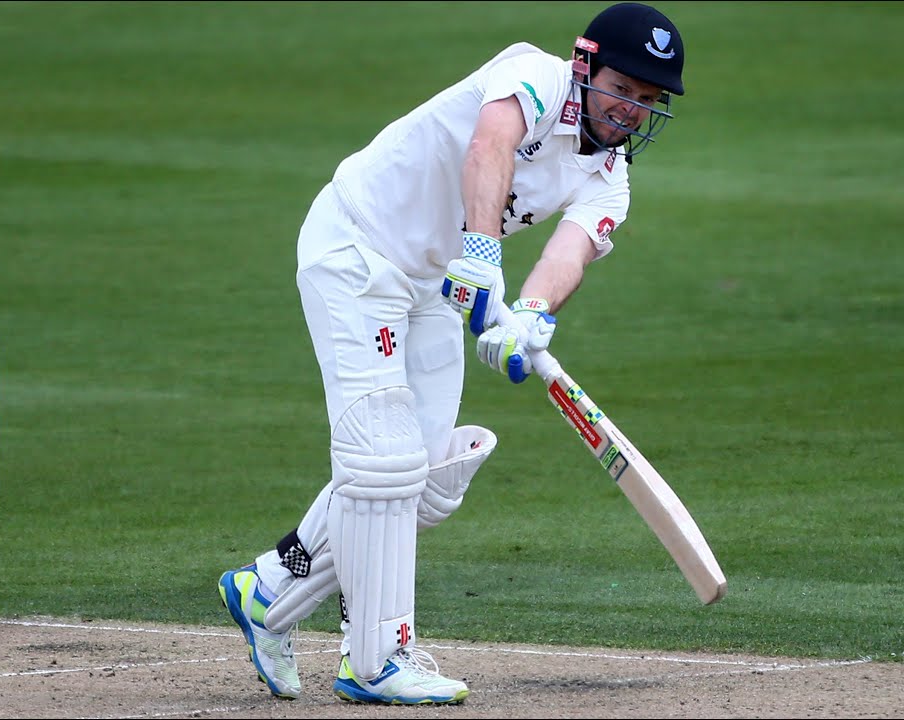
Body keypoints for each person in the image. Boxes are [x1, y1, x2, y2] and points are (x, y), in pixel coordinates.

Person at [217, 2, 686, 705]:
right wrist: (480, 255)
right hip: (358, 248)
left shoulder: (610, 175)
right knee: (383, 460)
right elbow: (489, 147)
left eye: (648, 100)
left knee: (428, 477)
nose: (630, 109)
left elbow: (572, 250)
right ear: (586, 66)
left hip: (434, 280)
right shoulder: (533, 75)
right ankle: (376, 660)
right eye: (623, 88)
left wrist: (529, 317)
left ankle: (269, 587)